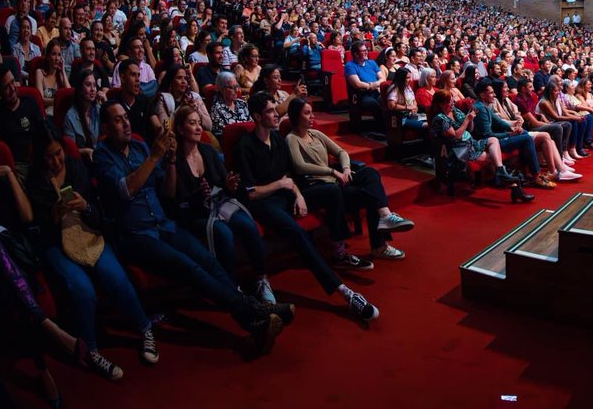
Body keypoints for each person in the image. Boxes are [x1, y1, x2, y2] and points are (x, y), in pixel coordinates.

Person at [93, 101, 291, 356]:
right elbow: (126, 190)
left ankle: (255, 320)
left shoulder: (140, 147)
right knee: (191, 268)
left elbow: (167, 192)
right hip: (137, 235)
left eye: (126, 117)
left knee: (207, 261)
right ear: (107, 128)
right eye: (118, 120)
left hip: (163, 223)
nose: (126, 123)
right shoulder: (103, 155)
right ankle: (259, 312)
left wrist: (172, 162)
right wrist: (155, 157)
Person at [0, 122, 81, 408]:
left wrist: (11, 175)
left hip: (11, 262)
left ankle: (42, 366)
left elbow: (26, 218)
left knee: (13, 288)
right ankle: (49, 334)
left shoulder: (1, 179)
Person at [235, 92, 380, 320]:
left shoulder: (278, 141)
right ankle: (344, 291)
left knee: (331, 191)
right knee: (297, 233)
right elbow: (249, 193)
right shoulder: (245, 145)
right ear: (256, 116)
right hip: (265, 203)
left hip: (287, 194)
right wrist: (281, 185)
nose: (277, 114)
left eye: (275, 109)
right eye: (271, 111)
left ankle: (340, 250)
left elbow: (290, 176)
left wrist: (297, 193)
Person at [28, 137, 158, 379]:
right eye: (49, 157)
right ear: (40, 158)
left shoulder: (76, 168)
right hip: (56, 243)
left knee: (115, 276)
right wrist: (54, 215)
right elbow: (36, 231)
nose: (56, 161)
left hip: (87, 231)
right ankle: (90, 350)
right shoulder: (36, 181)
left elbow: (98, 214)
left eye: (58, 153)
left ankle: (144, 326)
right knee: (82, 288)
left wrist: (85, 206)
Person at [165, 105, 275, 303]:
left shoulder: (207, 151)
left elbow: (224, 183)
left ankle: (261, 279)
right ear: (180, 129)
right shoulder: (175, 159)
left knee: (247, 225)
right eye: (192, 123)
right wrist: (198, 196)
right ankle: (231, 289)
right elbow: (174, 197)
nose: (199, 128)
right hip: (193, 212)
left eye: (199, 123)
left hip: (218, 203)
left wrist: (229, 186)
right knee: (223, 233)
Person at [285, 97, 413, 261]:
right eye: (307, 113)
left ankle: (385, 217)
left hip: (336, 182)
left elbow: (341, 152)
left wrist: (345, 168)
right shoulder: (291, 138)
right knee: (371, 196)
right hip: (319, 186)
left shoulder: (316, 134)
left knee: (370, 174)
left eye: (312, 113)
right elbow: (300, 166)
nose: (312, 117)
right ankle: (379, 245)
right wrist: (332, 171)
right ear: (296, 116)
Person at [427, 90, 533, 203]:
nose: (453, 102)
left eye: (453, 99)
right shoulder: (439, 119)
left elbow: (470, 129)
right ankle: (515, 188)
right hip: (458, 150)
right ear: (441, 104)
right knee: (493, 159)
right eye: (449, 101)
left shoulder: (455, 111)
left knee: (493, 140)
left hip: (471, 143)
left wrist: (471, 120)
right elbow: (456, 136)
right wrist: (467, 120)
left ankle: (503, 174)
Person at [0, 69, 49, 179]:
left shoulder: (30, 101)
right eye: (6, 87)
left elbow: (44, 131)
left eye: (12, 82)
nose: (12, 88)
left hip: (39, 158)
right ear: (0, 92)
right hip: (17, 166)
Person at [344, 40, 386, 133]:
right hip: (362, 95)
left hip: (376, 92)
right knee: (374, 105)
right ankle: (383, 128)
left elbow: (382, 79)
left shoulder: (372, 63)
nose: (367, 52)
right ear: (356, 54)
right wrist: (372, 85)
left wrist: (373, 85)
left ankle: (390, 127)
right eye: (363, 51)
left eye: (366, 50)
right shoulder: (350, 65)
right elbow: (357, 84)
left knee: (387, 101)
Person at [63, 67, 102, 161]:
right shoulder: (70, 116)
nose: (93, 89)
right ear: (80, 89)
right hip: (80, 161)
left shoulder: (99, 109)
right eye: (88, 85)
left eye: (94, 85)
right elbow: (69, 150)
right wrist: (85, 151)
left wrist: (106, 104)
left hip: (100, 157)